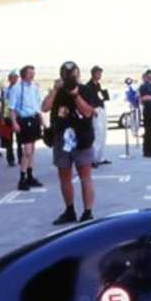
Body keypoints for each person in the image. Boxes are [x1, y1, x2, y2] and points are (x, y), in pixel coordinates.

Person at [42, 61, 98, 225]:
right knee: (64, 177)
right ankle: (70, 210)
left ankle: (88, 212)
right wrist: (54, 90)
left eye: (72, 75)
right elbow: (45, 107)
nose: (69, 79)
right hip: (61, 139)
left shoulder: (85, 90)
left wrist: (75, 95)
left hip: (82, 138)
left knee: (85, 176)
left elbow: (88, 112)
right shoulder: (58, 92)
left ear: (78, 75)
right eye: (66, 76)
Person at [7, 65, 44, 190]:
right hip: (23, 120)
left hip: (34, 119)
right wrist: (14, 123)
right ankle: (22, 179)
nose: (32, 75)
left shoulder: (34, 87)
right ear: (23, 75)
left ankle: (30, 176)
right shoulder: (16, 88)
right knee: (27, 151)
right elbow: (11, 108)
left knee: (32, 150)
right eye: (30, 73)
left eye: (33, 73)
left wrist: (41, 119)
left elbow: (37, 104)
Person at [85, 65, 111, 168]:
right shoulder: (88, 86)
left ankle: (100, 157)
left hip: (101, 109)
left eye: (101, 73)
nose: (100, 75)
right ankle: (93, 159)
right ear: (94, 74)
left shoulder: (98, 85)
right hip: (95, 110)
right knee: (97, 134)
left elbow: (101, 96)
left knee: (103, 133)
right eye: (98, 73)